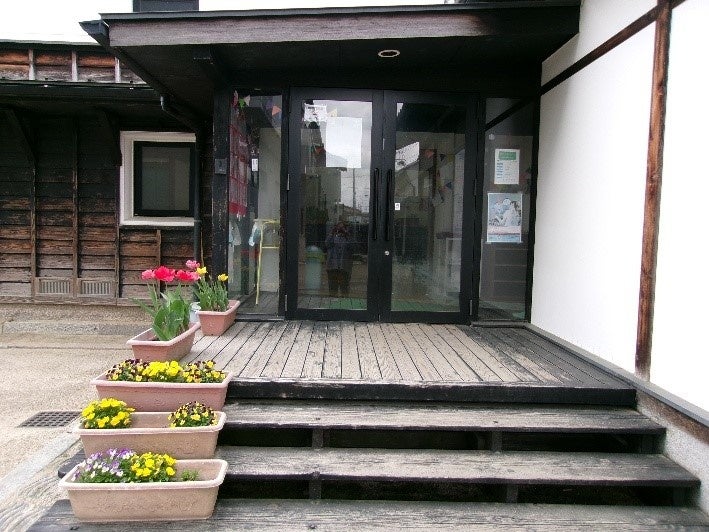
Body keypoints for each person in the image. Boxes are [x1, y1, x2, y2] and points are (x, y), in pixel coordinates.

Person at [324, 219, 353, 297]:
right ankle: (332, 300)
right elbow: (327, 244)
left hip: (344, 266)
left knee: (344, 288)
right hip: (332, 266)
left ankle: (345, 300)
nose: (340, 229)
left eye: (342, 227)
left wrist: (346, 233)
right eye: (338, 227)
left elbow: (352, 247)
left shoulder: (347, 238)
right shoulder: (332, 237)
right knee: (333, 288)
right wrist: (332, 232)